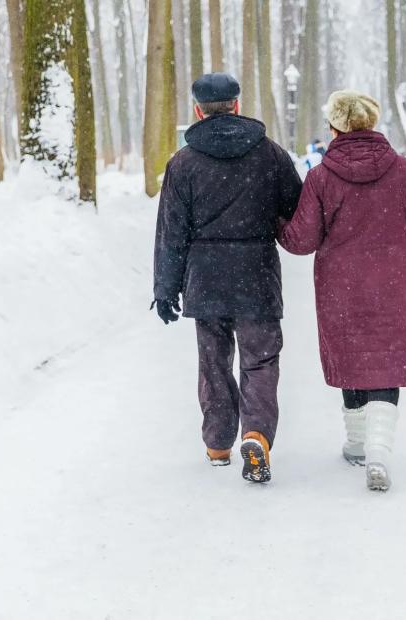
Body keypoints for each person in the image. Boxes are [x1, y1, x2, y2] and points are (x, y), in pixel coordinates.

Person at [277, 90, 406, 492]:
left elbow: (302, 240)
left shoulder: (321, 177)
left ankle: (355, 442)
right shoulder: (405, 172)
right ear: (373, 123)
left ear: (334, 128)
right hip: (393, 286)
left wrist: (276, 220)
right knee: (386, 363)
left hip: (340, 288)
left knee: (352, 360)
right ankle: (379, 451)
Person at [153, 73, 302, 484]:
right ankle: (256, 435)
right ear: (237, 105)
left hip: (206, 277)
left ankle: (219, 442)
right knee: (261, 359)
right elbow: (297, 208)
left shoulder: (182, 163)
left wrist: (165, 289)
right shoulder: (270, 155)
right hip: (257, 273)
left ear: (198, 110)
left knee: (214, 362)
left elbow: (171, 231)